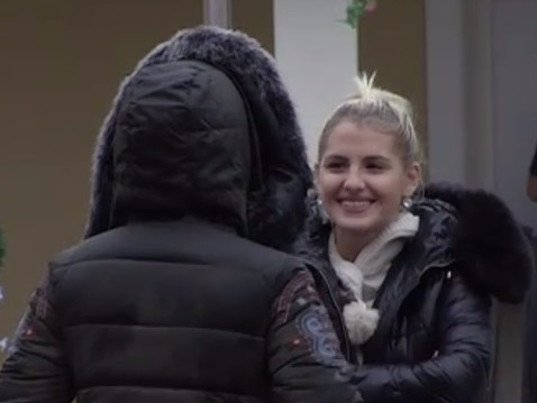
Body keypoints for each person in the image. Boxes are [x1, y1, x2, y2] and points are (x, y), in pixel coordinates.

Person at [0, 26, 363, 403]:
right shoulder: (279, 281)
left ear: (124, 149)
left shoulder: (68, 277)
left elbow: (19, 393)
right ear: (239, 151)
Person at [297, 74, 534, 402]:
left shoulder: (449, 257)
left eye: (374, 167)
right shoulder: (288, 259)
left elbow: (463, 374)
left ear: (410, 179)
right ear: (316, 175)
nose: (352, 182)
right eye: (337, 165)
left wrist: (327, 381)